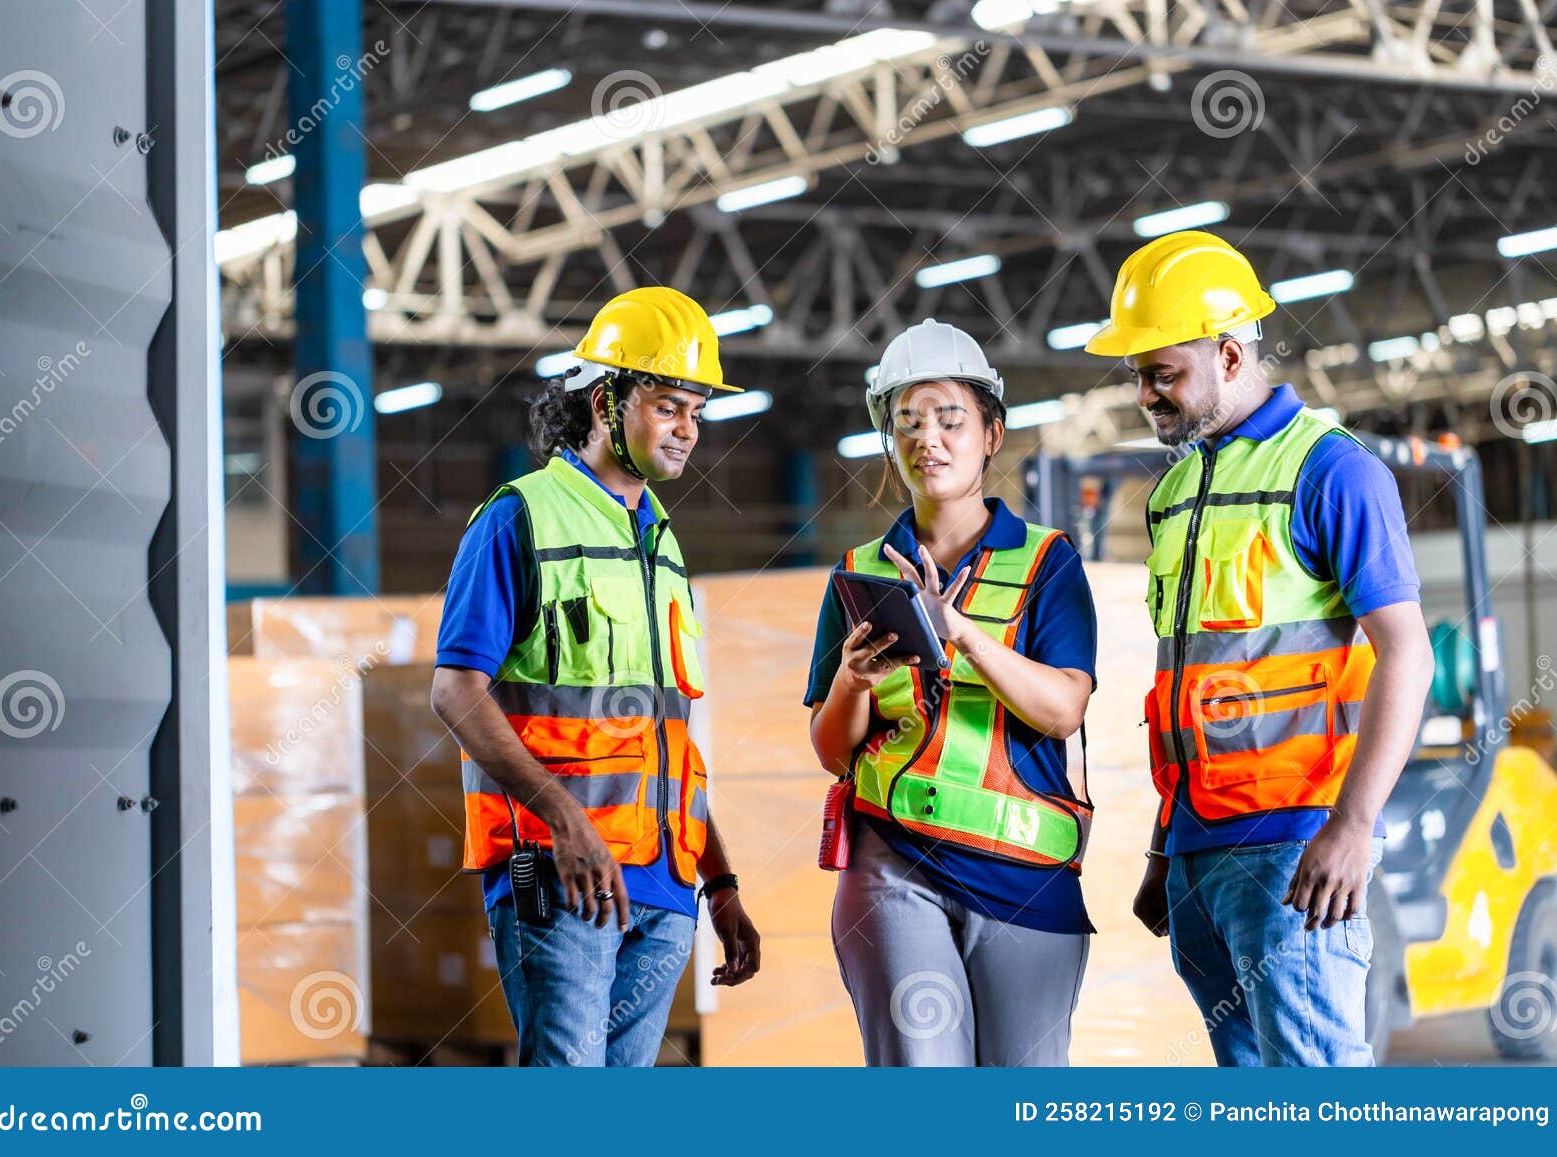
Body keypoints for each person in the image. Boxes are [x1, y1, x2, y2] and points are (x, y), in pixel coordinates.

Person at [1086, 231, 1433, 1066]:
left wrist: (1353, 824)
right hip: (1199, 852)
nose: (1144, 394)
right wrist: (1169, 845)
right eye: (1137, 375)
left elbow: (1407, 655)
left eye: (1162, 372)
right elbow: (1191, 681)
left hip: (1297, 846)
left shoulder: (1333, 471)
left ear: (1232, 356)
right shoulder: (1172, 492)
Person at [431, 286, 760, 1067]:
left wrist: (720, 880)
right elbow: (455, 691)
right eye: (671, 406)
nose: (689, 430)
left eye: (698, 412)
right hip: (563, 876)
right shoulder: (521, 518)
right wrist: (563, 820)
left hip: (666, 888)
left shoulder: (662, 543)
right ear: (607, 400)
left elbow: (665, 736)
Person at [806, 318, 1098, 1067]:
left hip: (1025, 875)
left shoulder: (1048, 564)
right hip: (894, 863)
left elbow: (1063, 707)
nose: (925, 438)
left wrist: (963, 631)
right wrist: (851, 679)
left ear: (992, 433)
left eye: (948, 418)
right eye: (906, 421)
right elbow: (832, 747)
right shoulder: (862, 572)